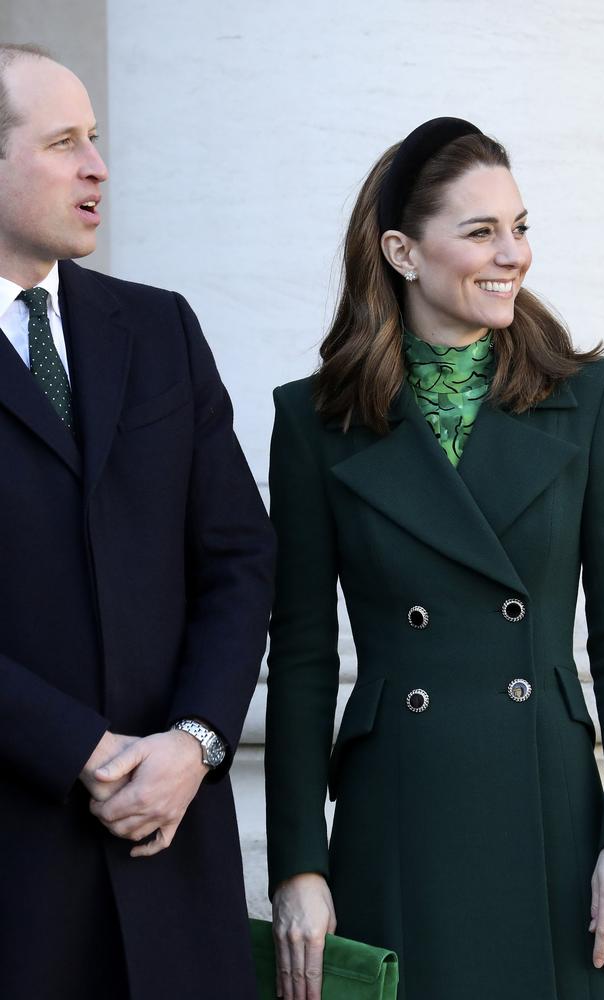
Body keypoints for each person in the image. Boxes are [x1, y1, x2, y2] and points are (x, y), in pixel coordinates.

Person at [264, 117, 604, 1000]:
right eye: (480, 231)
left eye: (520, 227)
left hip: (554, 821)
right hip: (397, 815)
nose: (512, 253)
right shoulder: (313, 422)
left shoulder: (587, 397)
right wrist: (298, 863)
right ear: (402, 251)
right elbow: (302, 655)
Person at [0, 42, 275, 1000]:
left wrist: (196, 742)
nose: (98, 167)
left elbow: (240, 557)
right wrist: (84, 750)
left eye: (98, 138)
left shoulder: (160, 328)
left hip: (174, 868)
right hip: (20, 878)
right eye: (64, 142)